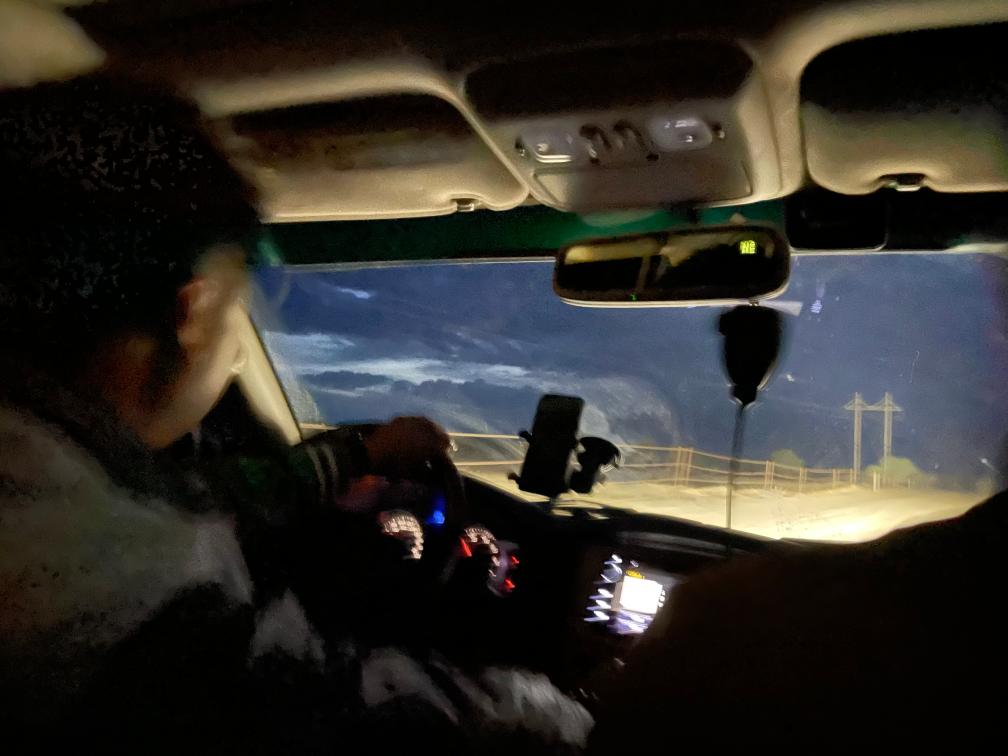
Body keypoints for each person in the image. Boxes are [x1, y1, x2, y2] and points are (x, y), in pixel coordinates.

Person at [0, 73, 592, 755]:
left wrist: (361, 456)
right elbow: (362, 717)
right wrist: (576, 716)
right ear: (193, 311)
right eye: (239, 303)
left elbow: (201, 496)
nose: (233, 350)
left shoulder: (57, 479)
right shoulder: (127, 600)